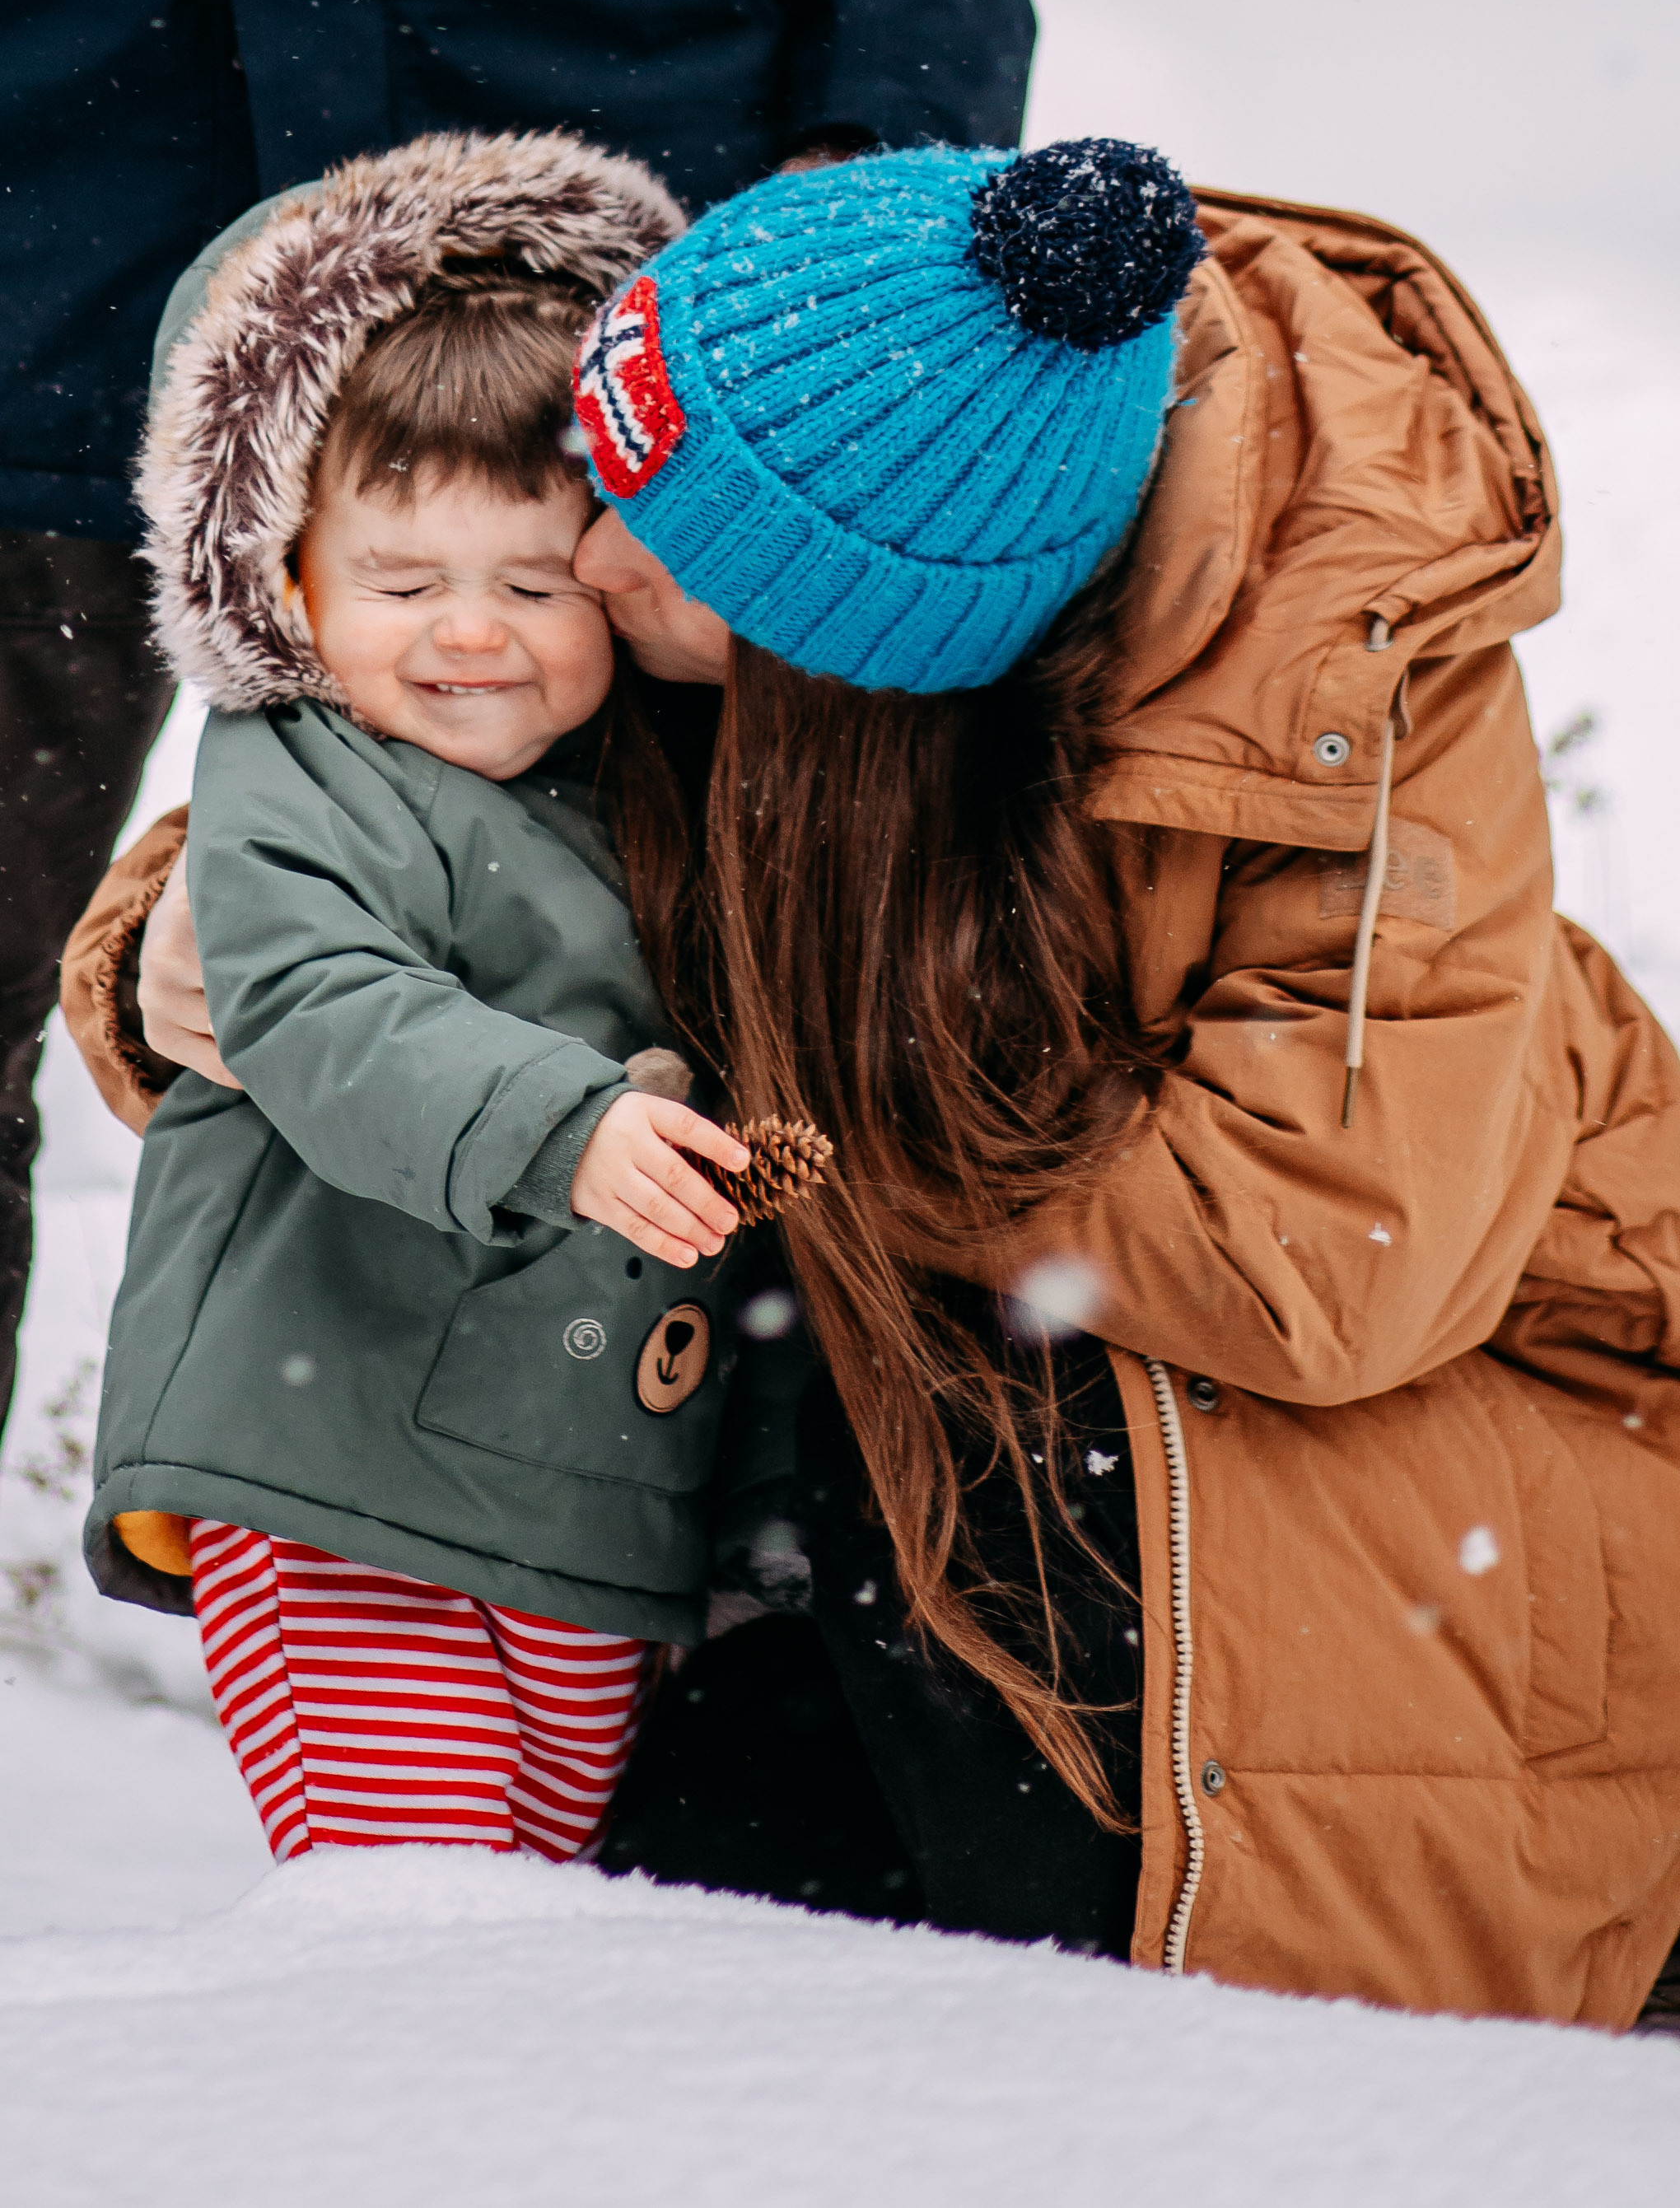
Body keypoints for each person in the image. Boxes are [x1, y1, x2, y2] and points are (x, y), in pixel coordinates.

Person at [67, 138, 1680, 2028]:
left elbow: (1328, 1260)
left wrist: (813, 1119)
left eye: (657, 551)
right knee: (678, 1923)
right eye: (601, 476)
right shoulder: (842, 352)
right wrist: (174, 945)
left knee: (911, 1828)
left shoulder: (1348, 693)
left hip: (1402, 1470)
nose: (589, 559)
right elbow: (420, 787)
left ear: (849, 679)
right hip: (879, 1413)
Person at [0, 0, 1053, 1433]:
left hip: (624, 240)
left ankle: (676, 1566)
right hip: (59, 188)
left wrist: (871, 165)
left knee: (710, 1005)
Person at [82, 126, 804, 1867]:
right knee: (413, 1892)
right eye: (404, 584)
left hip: (585, 1489)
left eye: (536, 585)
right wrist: (564, 1125)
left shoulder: (654, 776)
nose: (471, 634)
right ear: (285, 578)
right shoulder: (298, 766)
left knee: (537, 1903)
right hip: (329, 1456)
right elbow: (317, 1003)